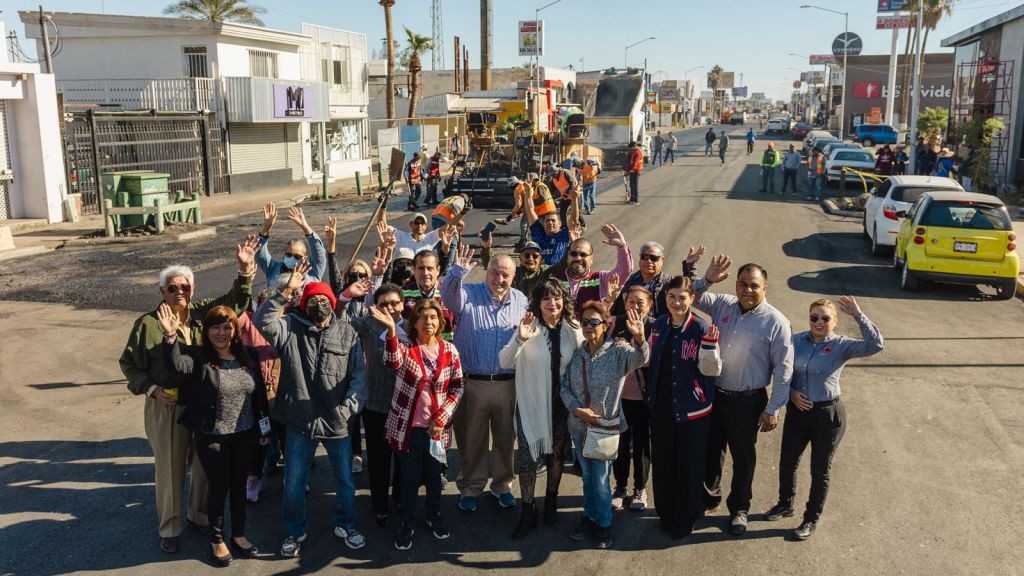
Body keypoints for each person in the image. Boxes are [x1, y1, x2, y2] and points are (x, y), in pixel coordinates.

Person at [119, 236, 259, 554]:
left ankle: (199, 516)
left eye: (184, 287)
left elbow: (234, 305)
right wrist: (150, 389)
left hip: (203, 406)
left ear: (192, 290)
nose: (178, 292)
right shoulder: (147, 325)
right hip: (166, 405)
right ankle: (170, 526)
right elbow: (129, 364)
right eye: (172, 288)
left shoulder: (200, 316)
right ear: (162, 292)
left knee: (204, 467)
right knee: (170, 469)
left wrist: (244, 271)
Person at [254, 262, 367, 557]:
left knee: (344, 479)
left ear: (332, 304)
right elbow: (262, 322)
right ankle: (294, 530)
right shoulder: (290, 327)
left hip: (336, 421)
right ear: (303, 304)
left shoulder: (347, 332)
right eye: (312, 300)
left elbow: (359, 376)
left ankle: (346, 523)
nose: (318, 305)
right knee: (294, 481)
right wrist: (285, 291)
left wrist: (347, 410)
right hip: (299, 421)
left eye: (324, 300)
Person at [159, 304, 272, 566]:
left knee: (239, 486)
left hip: (244, 433)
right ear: (206, 330)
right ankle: (217, 539)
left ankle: (240, 535)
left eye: (226, 327)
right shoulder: (197, 357)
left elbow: (260, 399)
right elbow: (175, 365)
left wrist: (264, 430)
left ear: (234, 329)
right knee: (219, 487)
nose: (221, 333)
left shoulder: (249, 355)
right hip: (212, 435)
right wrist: (169, 336)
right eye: (215, 327)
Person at [764, 296, 883, 540]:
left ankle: (810, 519)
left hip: (827, 416)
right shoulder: (795, 340)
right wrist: (790, 393)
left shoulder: (842, 345)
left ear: (835, 321)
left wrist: (859, 316)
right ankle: (785, 503)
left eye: (825, 318)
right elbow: (780, 369)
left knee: (820, 470)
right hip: (798, 412)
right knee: (788, 461)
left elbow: (876, 345)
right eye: (814, 317)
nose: (819, 322)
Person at [694, 256, 794, 536]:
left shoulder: (776, 322)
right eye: (742, 284)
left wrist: (774, 407)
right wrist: (707, 280)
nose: (747, 290)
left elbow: (784, 369)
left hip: (748, 402)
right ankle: (708, 498)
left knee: (743, 458)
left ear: (765, 288)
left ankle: (739, 508)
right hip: (716, 396)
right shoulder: (724, 304)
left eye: (754, 286)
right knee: (711, 452)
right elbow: (691, 296)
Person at [371, 298, 464, 550]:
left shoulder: (449, 350)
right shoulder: (405, 345)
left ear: (440, 322)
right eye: (423, 317)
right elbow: (392, 362)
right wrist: (391, 331)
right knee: (409, 478)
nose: (429, 322)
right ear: (415, 322)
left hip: (436, 429)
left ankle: (434, 515)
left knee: (434, 477)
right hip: (407, 427)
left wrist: (441, 418)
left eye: (433, 317)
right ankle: (407, 522)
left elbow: (457, 386)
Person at [442, 245, 529, 512]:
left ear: (513, 277)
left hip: (507, 384)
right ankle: (470, 487)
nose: (499, 279)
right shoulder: (469, 294)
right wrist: (457, 273)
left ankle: (502, 485)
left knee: (505, 439)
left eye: (505, 275)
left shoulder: (521, 300)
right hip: (472, 382)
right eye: (494, 273)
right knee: (471, 439)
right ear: (486, 272)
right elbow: (448, 299)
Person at [560, 302, 649, 549]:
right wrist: (576, 409)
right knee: (587, 477)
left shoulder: (618, 352)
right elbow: (564, 387)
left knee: (600, 480)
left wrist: (640, 338)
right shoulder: (578, 354)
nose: (589, 327)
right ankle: (589, 517)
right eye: (585, 322)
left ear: (606, 324)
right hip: (578, 428)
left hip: (604, 430)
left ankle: (604, 524)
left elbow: (641, 358)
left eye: (595, 322)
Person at [500, 279, 584, 537]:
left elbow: (586, 354)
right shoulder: (528, 326)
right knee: (527, 459)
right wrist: (519, 339)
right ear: (537, 302)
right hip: (531, 402)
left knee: (556, 455)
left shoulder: (572, 328)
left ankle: (550, 501)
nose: (552, 303)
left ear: (564, 301)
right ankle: (528, 509)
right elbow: (504, 362)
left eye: (557, 297)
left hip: (561, 403)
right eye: (546, 298)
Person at [645, 276, 722, 539]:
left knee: (689, 466)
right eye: (671, 297)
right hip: (662, 408)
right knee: (664, 462)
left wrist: (710, 348)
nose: (676, 302)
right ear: (665, 297)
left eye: (682, 297)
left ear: (691, 299)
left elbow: (711, 371)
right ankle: (665, 514)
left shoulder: (701, 328)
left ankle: (685, 517)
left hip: (693, 410)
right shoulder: (658, 325)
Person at [609, 286, 656, 512]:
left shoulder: (655, 327)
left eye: (641, 303)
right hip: (618, 397)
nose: (635, 307)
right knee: (619, 443)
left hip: (644, 398)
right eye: (630, 302)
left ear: (650, 306)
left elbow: (651, 362)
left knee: (641, 445)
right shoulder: (615, 323)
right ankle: (620, 487)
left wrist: (638, 341)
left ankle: (640, 488)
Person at [236, 288, 282, 504]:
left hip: (283, 395)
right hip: (255, 396)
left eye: (276, 306)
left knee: (287, 435)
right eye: (265, 304)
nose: (270, 310)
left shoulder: (288, 326)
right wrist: (244, 279)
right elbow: (235, 314)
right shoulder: (249, 322)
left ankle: (293, 475)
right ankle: (254, 477)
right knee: (258, 439)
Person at [551, 225, 633, 316]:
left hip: (590, 328)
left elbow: (624, 271)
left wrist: (622, 246)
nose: (578, 258)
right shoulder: (554, 280)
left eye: (583, 254)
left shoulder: (600, 278)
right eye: (574, 254)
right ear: (567, 257)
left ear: (591, 259)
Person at [257, 203, 326, 284]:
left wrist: (306, 228)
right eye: (289, 255)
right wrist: (266, 229)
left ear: (305, 257)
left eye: (297, 256)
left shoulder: (312, 273)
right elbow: (260, 255)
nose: (292, 258)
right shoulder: (273, 269)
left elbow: (319, 254)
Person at [523, 186, 579, 267]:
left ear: (560, 223)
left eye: (553, 220)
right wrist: (528, 193)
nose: (550, 222)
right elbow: (529, 211)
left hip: (559, 273)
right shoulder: (539, 234)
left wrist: (574, 198)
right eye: (547, 220)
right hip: (541, 274)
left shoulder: (564, 234)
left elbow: (574, 218)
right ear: (543, 223)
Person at [481, 238, 552, 296]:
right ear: (520, 258)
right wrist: (486, 248)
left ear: (540, 259)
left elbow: (561, 268)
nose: (531, 258)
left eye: (535, 256)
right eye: (526, 255)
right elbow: (492, 264)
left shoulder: (546, 271)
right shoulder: (513, 272)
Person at [379, 211, 446, 259]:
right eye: (416, 223)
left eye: (422, 223)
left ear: (426, 226)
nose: (420, 226)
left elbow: (449, 226)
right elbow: (382, 225)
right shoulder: (401, 237)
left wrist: (456, 216)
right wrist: (383, 207)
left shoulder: (430, 238)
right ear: (411, 224)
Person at [625, 140, 643, 204]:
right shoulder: (632, 153)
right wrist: (627, 170)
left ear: (634, 147)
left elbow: (634, 163)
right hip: (632, 171)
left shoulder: (638, 153)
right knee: (631, 185)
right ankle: (632, 199)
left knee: (635, 186)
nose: (629, 149)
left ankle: (636, 200)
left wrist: (628, 171)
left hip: (636, 171)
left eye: (630, 148)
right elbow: (629, 162)